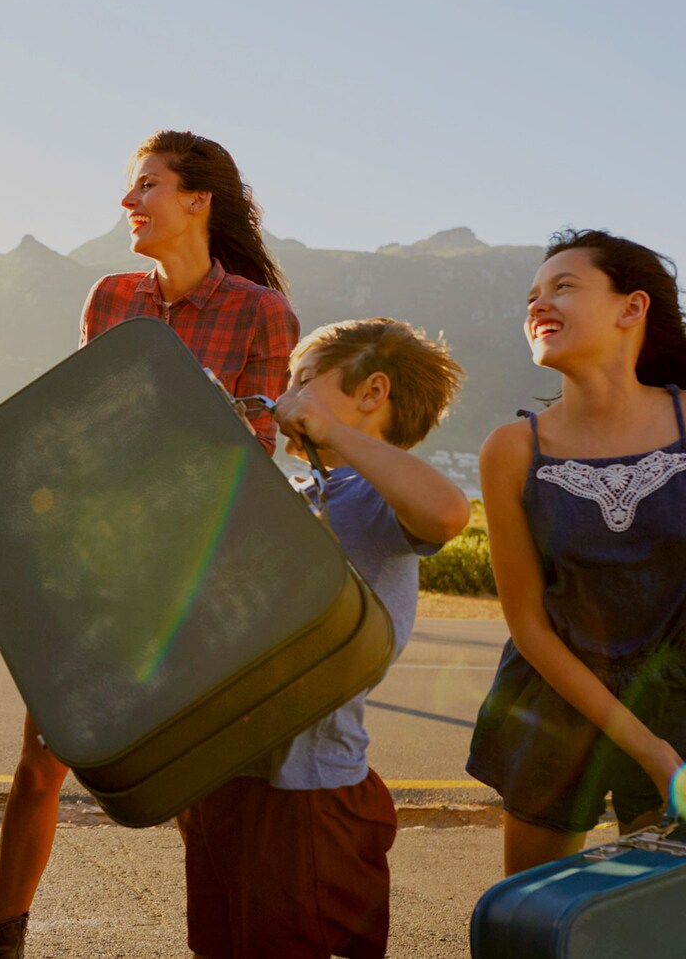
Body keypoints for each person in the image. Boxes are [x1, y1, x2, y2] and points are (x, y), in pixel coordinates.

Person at [0, 130, 300, 958]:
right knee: (43, 757)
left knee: (192, 780)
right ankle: (1, 939)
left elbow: (259, 457)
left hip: (194, 580)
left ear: (197, 201)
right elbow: (74, 422)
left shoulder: (262, 313)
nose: (129, 202)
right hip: (94, 567)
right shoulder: (111, 298)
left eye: (146, 185)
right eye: (131, 186)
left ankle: (220, 937)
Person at [184, 318, 470, 959]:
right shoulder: (298, 491)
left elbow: (448, 512)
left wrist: (333, 432)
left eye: (304, 382)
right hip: (226, 772)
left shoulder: (369, 496)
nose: (286, 397)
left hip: (309, 793)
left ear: (372, 393)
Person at [466, 229, 686, 876]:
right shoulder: (510, 450)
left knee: (673, 926)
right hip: (552, 698)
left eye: (563, 286)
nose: (539, 304)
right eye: (532, 295)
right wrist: (651, 751)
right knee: (529, 920)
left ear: (631, 308)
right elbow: (528, 624)